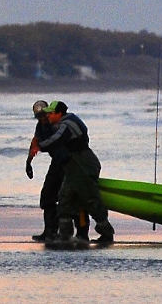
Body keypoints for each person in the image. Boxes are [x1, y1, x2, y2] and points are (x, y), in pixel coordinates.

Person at [36, 100, 115, 244]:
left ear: (59, 113)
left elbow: (54, 140)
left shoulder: (67, 124)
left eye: (50, 113)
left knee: (90, 199)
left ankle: (107, 233)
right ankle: (65, 236)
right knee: (65, 197)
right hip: (74, 165)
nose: (48, 116)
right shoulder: (64, 121)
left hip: (84, 164)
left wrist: (40, 145)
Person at [26, 100, 89, 242]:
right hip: (57, 163)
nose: (43, 119)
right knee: (47, 195)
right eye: (39, 117)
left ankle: (82, 233)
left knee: (74, 198)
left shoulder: (61, 125)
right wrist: (28, 162)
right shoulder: (40, 126)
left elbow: (53, 142)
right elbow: (35, 142)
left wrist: (41, 147)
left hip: (72, 163)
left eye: (44, 115)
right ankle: (50, 232)